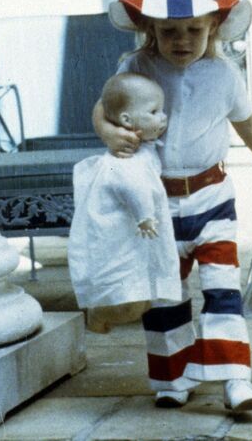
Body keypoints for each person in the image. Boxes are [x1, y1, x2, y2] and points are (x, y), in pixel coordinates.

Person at [92, 0, 252, 411]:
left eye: (193, 30)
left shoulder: (223, 74)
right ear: (150, 28)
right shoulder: (136, 67)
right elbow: (104, 107)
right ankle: (173, 376)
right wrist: (108, 131)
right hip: (155, 202)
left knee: (223, 287)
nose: (181, 40)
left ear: (214, 27)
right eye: (169, 31)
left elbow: (248, 123)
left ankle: (235, 377)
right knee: (165, 293)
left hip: (211, 197)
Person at [68, 72, 181, 334]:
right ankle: (98, 315)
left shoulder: (143, 148)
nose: (163, 117)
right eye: (154, 112)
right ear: (127, 120)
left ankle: (103, 311)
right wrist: (145, 216)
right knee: (132, 303)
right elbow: (133, 187)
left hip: (134, 237)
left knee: (144, 298)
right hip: (127, 233)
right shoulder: (126, 158)